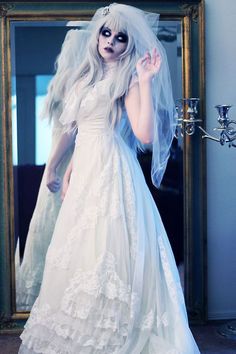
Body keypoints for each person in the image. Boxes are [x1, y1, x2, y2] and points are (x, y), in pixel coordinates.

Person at [18, 3, 200, 353]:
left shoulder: (128, 78)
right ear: (97, 34)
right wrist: (56, 168)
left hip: (112, 171)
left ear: (128, 45)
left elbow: (144, 135)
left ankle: (113, 331)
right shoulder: (84, 77)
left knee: (108, 249)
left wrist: (144, 82)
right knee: (81, 251)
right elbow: (73, 131)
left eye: (120, 37)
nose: (111, 42)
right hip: (84, 170)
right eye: (106, 33)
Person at [15, 29, 83, 311]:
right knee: (61, 225)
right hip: (67, 160)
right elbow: (72, 133)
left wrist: (51, 168)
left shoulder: (61, 86)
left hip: (63, 161)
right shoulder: (75, 86)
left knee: (55, 224)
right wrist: (54, 167)